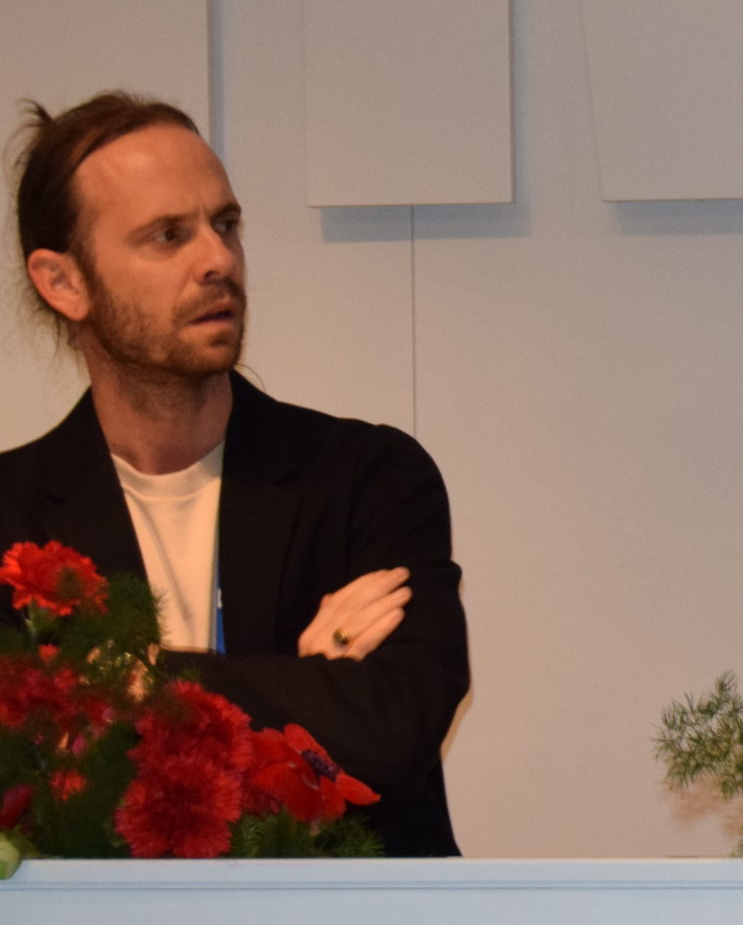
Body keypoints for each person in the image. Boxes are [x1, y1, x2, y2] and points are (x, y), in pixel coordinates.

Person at [0, 92, 470, 854]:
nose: (217, 259)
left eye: (224, 224)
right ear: (64, 282)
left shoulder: (365, 478)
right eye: (168, 236)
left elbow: (390, 728)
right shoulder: (12, 521)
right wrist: (296, 681)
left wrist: (137, 682)